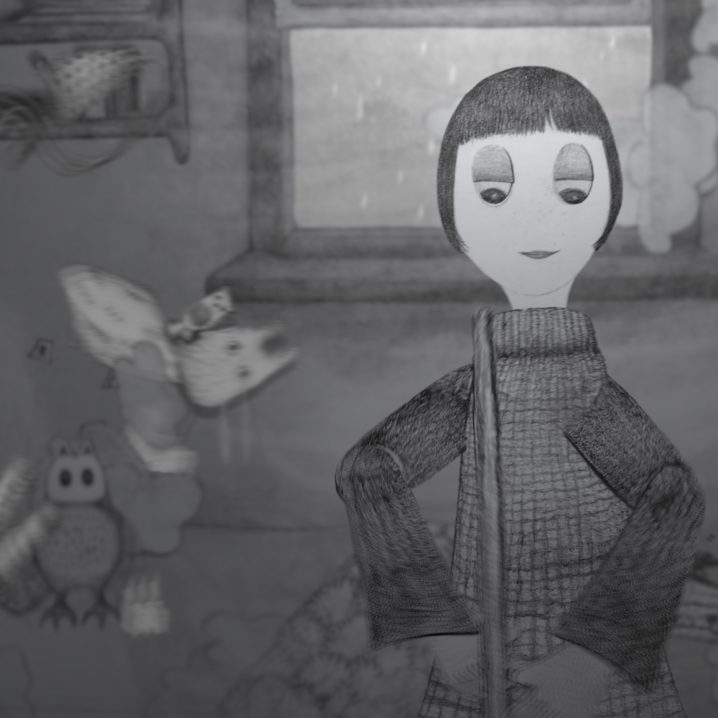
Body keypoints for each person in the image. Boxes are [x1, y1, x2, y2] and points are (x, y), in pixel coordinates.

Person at [335, 66, 705, 718]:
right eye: (493, 192)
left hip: (594, 683)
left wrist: (591, 660)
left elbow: (674, 496)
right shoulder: (470, 391)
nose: (536, 218)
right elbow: (369, 469)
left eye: (572, 190)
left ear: (607, 207)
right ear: (454, 216)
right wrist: (441, 631)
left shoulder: (587, 392)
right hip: (481, 672)